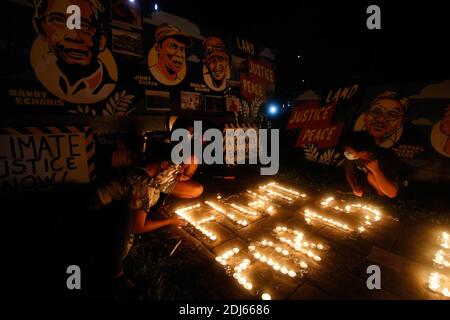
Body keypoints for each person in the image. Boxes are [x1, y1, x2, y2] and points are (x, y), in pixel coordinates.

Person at [86, 142, 186, 294]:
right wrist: (170, 221)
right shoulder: (145, 185)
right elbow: (137, 227)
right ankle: (115, 274)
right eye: (175, 170)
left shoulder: (136, 171)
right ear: (164, 165)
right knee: (126, 221)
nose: (175, 175)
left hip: (91, 211)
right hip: (95, 226)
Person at [32, 0, 117, 104]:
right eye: (58, 20)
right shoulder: (37, 75)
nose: (73, 36)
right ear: (41, 29)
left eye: (84, 25)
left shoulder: (114, 87)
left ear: (101, 41)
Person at [343, 131, 401, 199]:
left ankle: (381, 197)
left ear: (363, 152)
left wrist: (376, 170)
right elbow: (349, 172)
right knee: (370, 176)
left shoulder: (386, 157)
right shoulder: (354, 157)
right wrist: (354, 187)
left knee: (371, 176)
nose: (347, 153)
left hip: (388, 188)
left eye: (350, 152)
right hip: (369, 187)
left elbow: (392, 193)